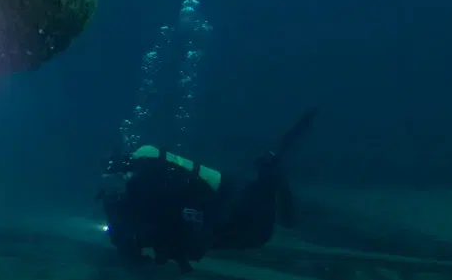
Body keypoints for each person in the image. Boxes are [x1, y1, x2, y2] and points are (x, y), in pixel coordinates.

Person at [100, 108, 315, 269]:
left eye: (117, 180)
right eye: (110, 182)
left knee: (257, 227)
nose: (114, 189)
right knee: (252, 232)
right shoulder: (123, 201)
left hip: (223, 200)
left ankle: (272, 165)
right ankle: (270, 169)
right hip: (215, 211)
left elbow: (178, 215)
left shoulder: (151, 186)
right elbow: (131, 239)